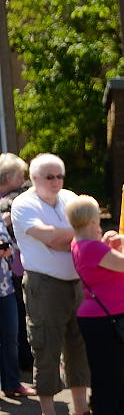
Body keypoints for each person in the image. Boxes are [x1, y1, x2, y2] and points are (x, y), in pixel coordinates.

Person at [11, 154, 90, 415]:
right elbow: (54, 239)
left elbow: (82, 235)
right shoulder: (24, 204)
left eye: (59, 176)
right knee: (46, 347)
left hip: (75, 282)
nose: (56, 182)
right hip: (44, 285)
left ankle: (81, 411)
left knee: (78, 345)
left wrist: (67, 236)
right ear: (34, 179)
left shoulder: (69, 198)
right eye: (49, 177)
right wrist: (75, 234)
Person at [66, 195, 124, 415]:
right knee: (107, 380)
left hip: (111, 318)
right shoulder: (90, 246)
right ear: (91, 220)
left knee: (121, 378)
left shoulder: (86, 244)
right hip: (103, 320)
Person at [0, 153, 35, 396]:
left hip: (6, 281)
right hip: (10, 276)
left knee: (12, 333)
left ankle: (13, 382)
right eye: (20, 174)